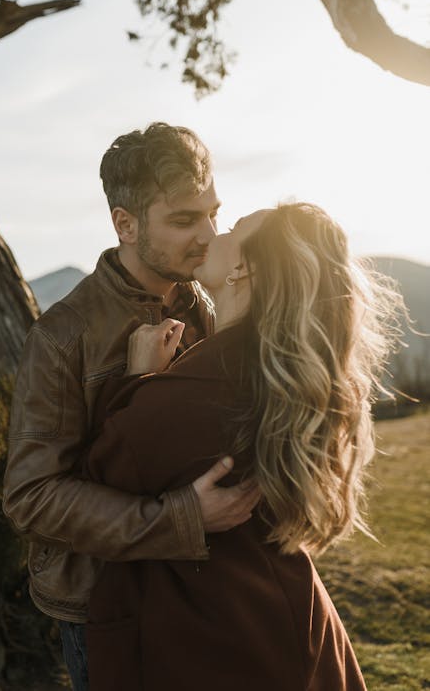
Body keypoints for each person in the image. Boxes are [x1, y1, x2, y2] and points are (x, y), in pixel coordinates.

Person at [84, 202, 402, 690]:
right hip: (279, 616)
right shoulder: (274, 374)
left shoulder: (215, 383)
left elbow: (103, 469)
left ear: (243, 267)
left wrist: (138, 377)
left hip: (224, 639)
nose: (214, 233)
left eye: (232, 228)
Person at [2, 123, 260, 691]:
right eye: (184, 220)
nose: (208, 236)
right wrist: (182, 519)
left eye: (213, 213)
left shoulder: (208, 302)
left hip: (196, 587)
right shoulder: (63, 335)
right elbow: (30, 498)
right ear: (125, 223)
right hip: (102, 604)